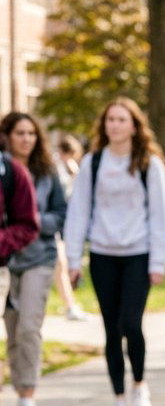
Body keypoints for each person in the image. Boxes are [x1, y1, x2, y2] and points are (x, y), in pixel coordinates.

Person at [64, 97, 165, 406]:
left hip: (137, 253)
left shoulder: (148, 163)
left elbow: (159, 214)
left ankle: (139, 387)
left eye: (122, 119)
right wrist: (73, 258)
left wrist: (158, 261)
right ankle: (118, 398)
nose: (115, 125)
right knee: (111, 329)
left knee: (130, 323)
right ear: (104, 125)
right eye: (110, 119)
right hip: (102, 254)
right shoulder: (93, 163)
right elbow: (79, 210)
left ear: (134, 125)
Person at [1, 113, 67, 406]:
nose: (26, 139)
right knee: (12, 331)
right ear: (7, 136)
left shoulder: (47, 172)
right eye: (19, 133)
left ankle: (28, 397)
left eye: (31, 133)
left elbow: (61, 214)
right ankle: (18, 391)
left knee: (29, 326)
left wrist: (35, 221)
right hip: (7, 260)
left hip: (38, 257)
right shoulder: (4, 172)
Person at [53, 134, 88, 321]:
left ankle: (70, 305)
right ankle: (70, 306)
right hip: (56, 223)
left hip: (64, 222)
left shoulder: (67, 167)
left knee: (62, 265)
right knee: (61, 264)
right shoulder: (55, 166)